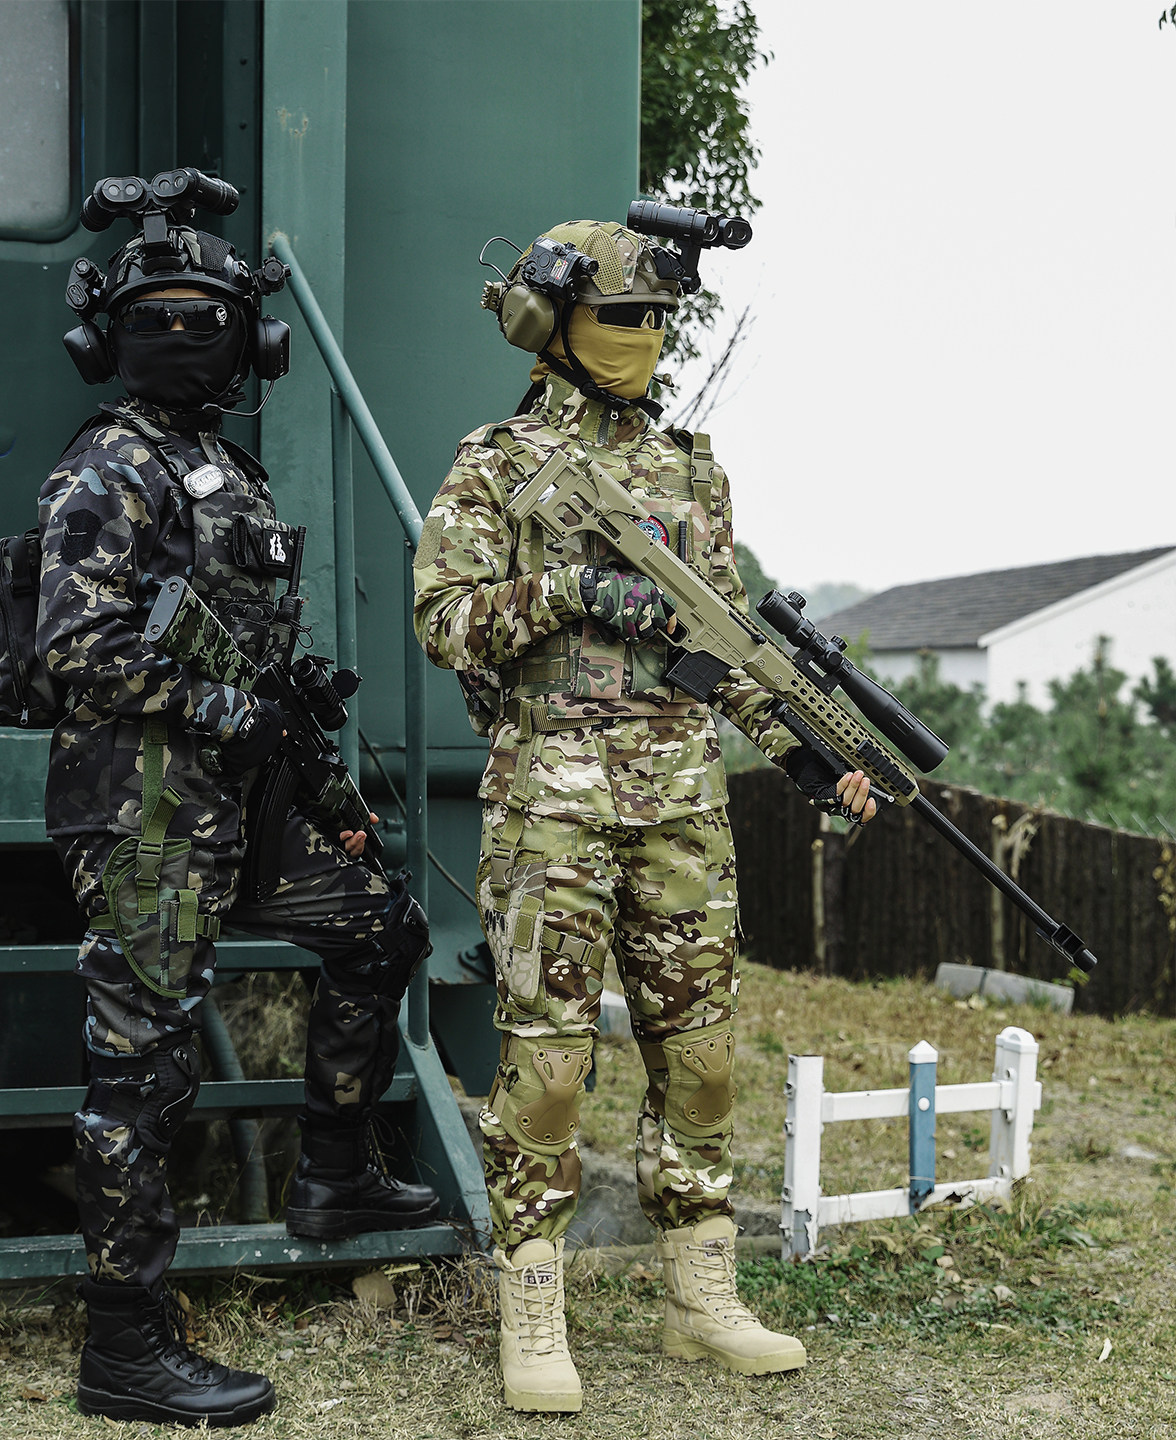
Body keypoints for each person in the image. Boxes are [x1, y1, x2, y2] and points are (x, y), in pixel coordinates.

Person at [412, 218, 875, 1413]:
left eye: (661, 321)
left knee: (702, 1055)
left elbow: (725, 653)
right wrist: (567, 587)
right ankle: (531, 1297)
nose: (647, 341)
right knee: (551, 1064)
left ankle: (699, 1292)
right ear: (555, 324)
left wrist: (816, 757)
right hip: (554, 801)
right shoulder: (498, 461)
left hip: (681, 802)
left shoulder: (689, 466)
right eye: (625, 318)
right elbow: (443, 620)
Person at [39, 190, 438, 1428]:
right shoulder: (106, 470)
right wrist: (225, 712)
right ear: (114, 338)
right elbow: (75, 652)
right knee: (142, 1076)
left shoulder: (226, 473)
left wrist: (298, 730)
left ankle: (334, 1175)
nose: (193, 340)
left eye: (209, 319)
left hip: (248, 806)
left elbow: (247, 667)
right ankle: (125, 1348)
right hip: (150, 815)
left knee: (383, 927)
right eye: (167, 320)